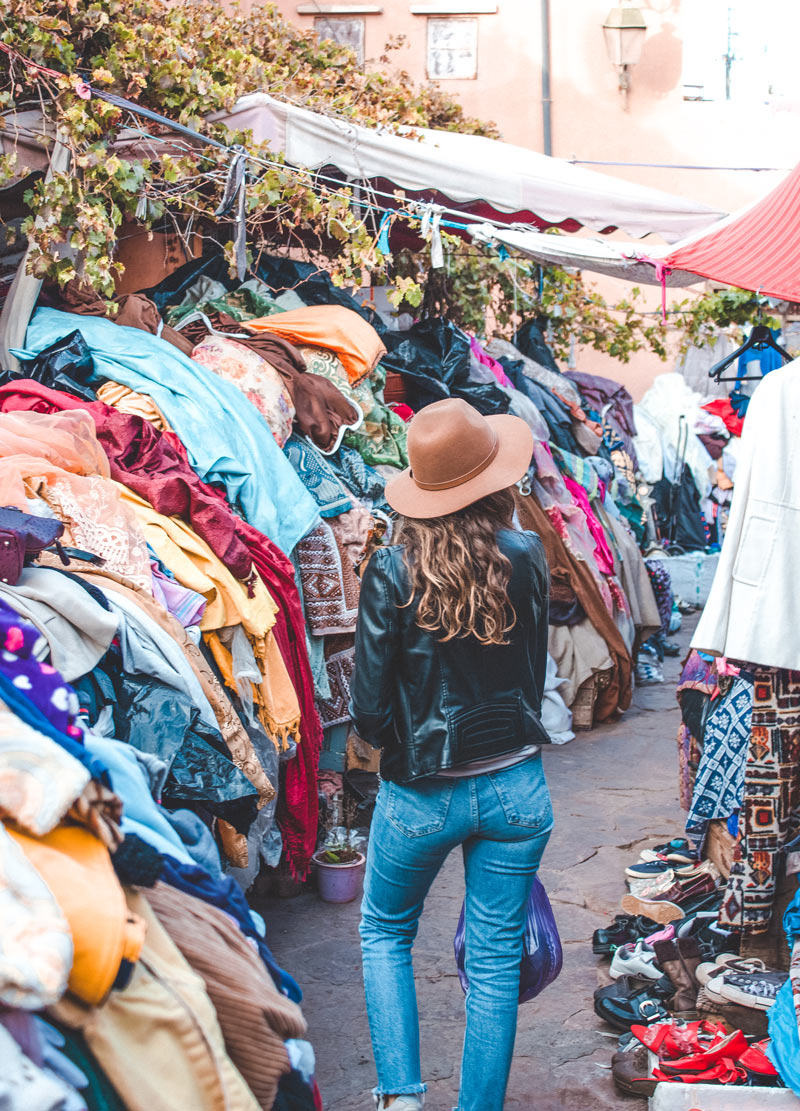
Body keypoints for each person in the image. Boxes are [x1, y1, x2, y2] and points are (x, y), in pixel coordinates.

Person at [351, 398, 554, 1111]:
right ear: (494, 479)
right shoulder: (527, 556)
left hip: (422, 793)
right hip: (518, 789)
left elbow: (370, 711)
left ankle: (401, 1098)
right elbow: (533, 677)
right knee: (496, 965)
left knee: (384, 931)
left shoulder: (391, 569)